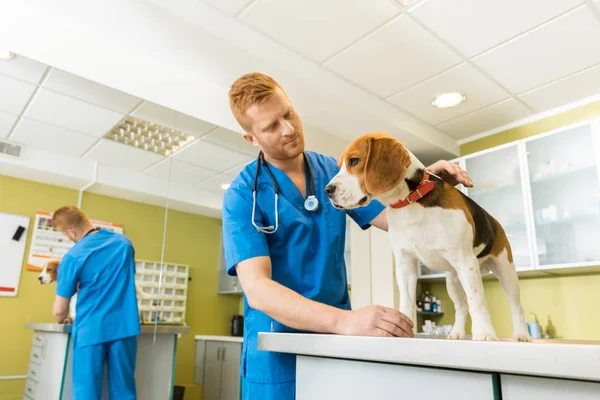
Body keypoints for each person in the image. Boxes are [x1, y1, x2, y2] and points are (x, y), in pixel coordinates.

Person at [221, 72, 473, 400]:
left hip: (335, 345)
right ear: (251, 139)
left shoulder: (332, 171)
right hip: (277, 351)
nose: (289, 128)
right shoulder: (243, 195)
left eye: (289, 113)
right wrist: (345, 322)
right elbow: (259, 290)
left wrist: (423, 187)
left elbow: (395, 217)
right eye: (271, 126)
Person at [51, 206, 140, 400]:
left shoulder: (73, 256)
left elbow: (59, 311)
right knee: (124, 389)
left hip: (91, 330)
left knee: (86, 391)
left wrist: (63, 316)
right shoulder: (124, 244)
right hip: (125, 327)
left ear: (71, 232)